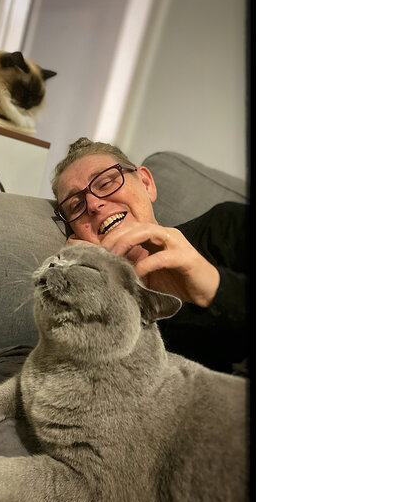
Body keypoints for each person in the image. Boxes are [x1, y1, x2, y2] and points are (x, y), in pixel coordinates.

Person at [51, 137, 249, 375]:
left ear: (146, 184)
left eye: (105, 183)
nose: (92, 204)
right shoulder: (98, 299)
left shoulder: (226, 226)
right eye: (76, 205)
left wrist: (213, 288)